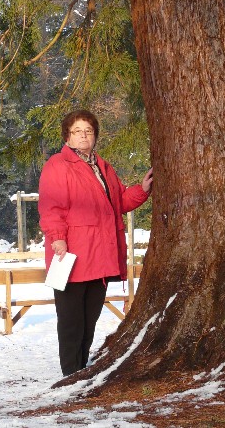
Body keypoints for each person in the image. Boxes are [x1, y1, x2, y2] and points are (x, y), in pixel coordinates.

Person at [38, 109, 153, 377]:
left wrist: (143, 190)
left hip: (100, 256)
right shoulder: (57, 165)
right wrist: (57, 240)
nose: (83, 136)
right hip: (72, 255)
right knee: (70, 321)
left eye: (88, 131)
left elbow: (119, 202)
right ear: (67, 135)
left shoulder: (103, 166)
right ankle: (70, 372)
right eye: (77, 131)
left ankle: (81, 367)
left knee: (90, 319)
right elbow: (51, 207)